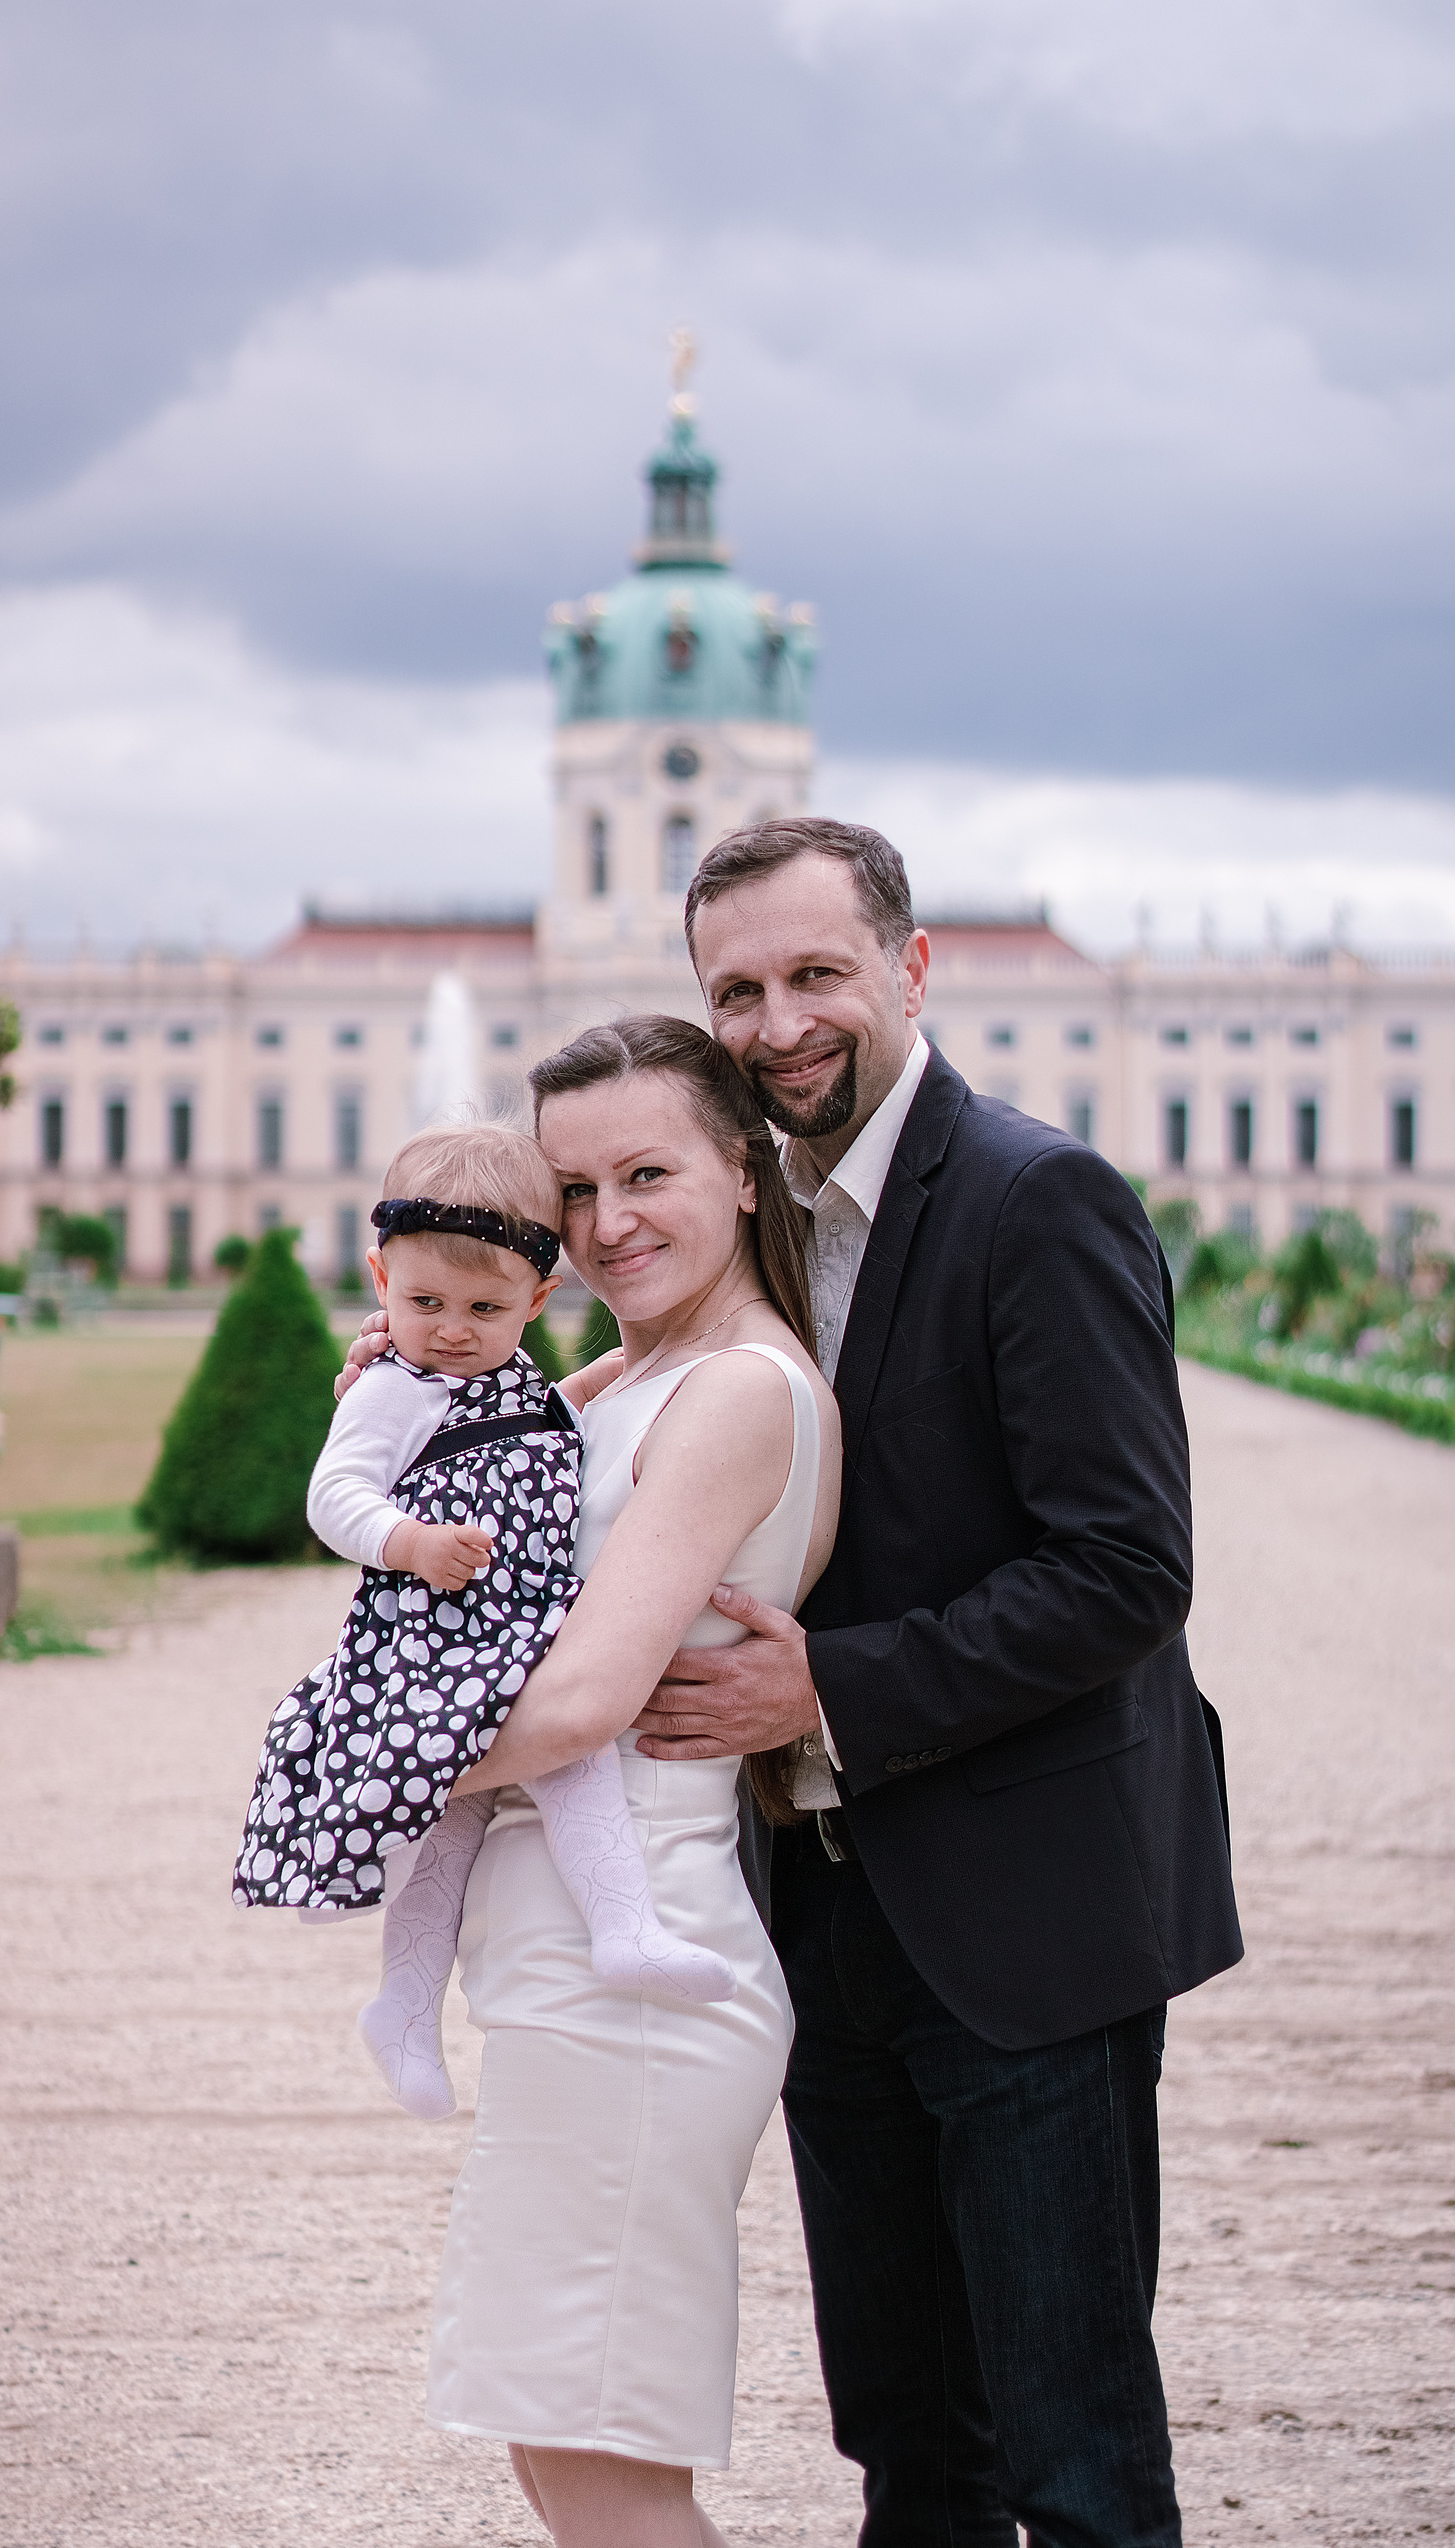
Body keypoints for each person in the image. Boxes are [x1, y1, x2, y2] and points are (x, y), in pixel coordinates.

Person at [625, 818, 1245, 2546]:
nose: (774, 1023)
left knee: (1074, 2460)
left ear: (908, 969)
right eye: (733, 990)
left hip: (1026, 1921)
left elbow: (1126, 1567)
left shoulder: (1035, 1198)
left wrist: (823, 1697)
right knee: (909, 2449)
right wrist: (426, 1359)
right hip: (825, 1916)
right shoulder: (750, 1222)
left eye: (814, 974)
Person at [347, 1017, 841, 2547]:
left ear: (743, 1175)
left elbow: (578, 1698)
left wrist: (349, 1767)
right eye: (575, 1187)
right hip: (565, 1961)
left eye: (649, 1172)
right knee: (554, 2449)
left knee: (606, 2473)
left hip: (636, 1969)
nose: (608, 1217)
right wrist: (399, 1383)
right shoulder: (615, 1373)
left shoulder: (740, 1392)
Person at [233, 1122, 735, 2128]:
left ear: (538, 1300)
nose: (452, 1329)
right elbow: (332, 1497)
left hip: (505, 1635)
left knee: (524, 1781)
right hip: (430, 1641)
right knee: (478, 1806)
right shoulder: (389, 1386)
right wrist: (408, 1541)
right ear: (380, 1277)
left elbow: (558, 1413)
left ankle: (571, 1943)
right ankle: (428, 1997)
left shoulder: (507, 1381)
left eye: (484, 1307)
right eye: (423, 1303)